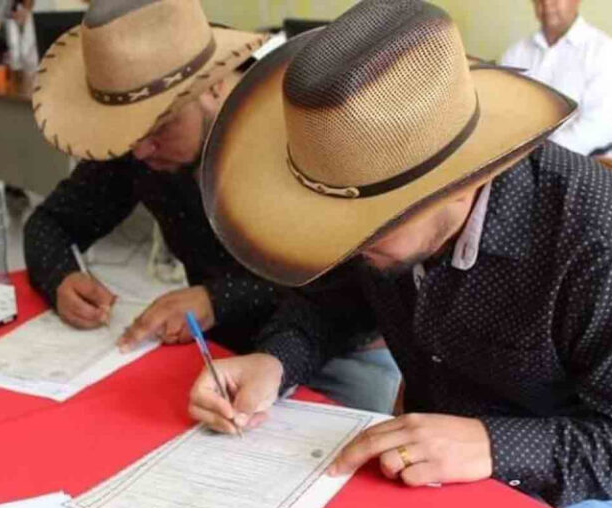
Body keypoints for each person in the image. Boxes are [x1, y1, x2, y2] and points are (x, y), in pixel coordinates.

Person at [189, 0, 612, 508]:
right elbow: (335, 303)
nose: (343, 246)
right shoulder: (371, 196)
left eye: (365, 230)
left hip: (589, 486)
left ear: (458, 184)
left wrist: (493, 444)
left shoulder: (605, 245)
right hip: (426, 453)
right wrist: (277, 360)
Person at [24, 0, 401, 414]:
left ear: (216, 84)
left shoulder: (300, 130)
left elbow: (352, 273)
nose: (141, 150)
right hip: (220, 350)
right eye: (130, 136)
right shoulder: (139, 147)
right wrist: (61, 277)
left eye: (159, 129)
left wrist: (217, 298)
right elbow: (51, 221)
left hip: (337, 353)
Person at [501, 0, 612, 157]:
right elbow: (504, 115)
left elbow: (596, 129)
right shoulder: (516, 53)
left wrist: (535, 154)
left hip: (585, 162)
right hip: (519, 161)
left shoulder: (605, 53)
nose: (547, 3)